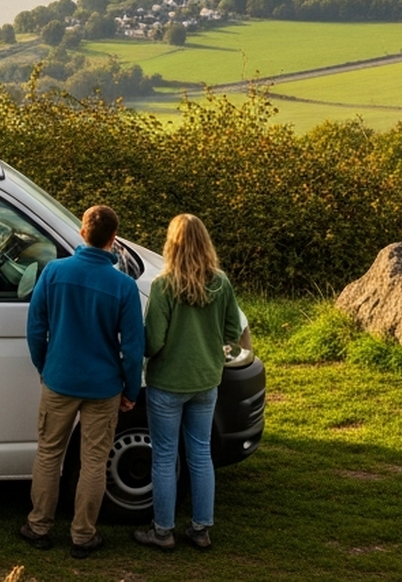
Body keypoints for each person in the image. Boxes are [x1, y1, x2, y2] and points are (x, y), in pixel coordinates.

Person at [19, 204, 146, 559]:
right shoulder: (123, 286)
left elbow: (35, 328)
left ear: (81, 233)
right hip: (103, 387)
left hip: (60, 380)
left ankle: (39, 525)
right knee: (94, 461)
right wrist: (130, 390)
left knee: (48, 454)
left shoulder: (54, 272)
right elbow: (133, 348)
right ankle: (83, 534)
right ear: (113, 239)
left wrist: (45, 366)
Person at [133, 213, 246, 553]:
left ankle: (163, 530)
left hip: (168, 382)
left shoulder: (163, 285)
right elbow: (232, 332)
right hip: (206, 381)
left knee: (165, 456)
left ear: (173, 244)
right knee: (200, 454)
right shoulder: (221, 282)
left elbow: (153, 342)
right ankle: (200, 529)